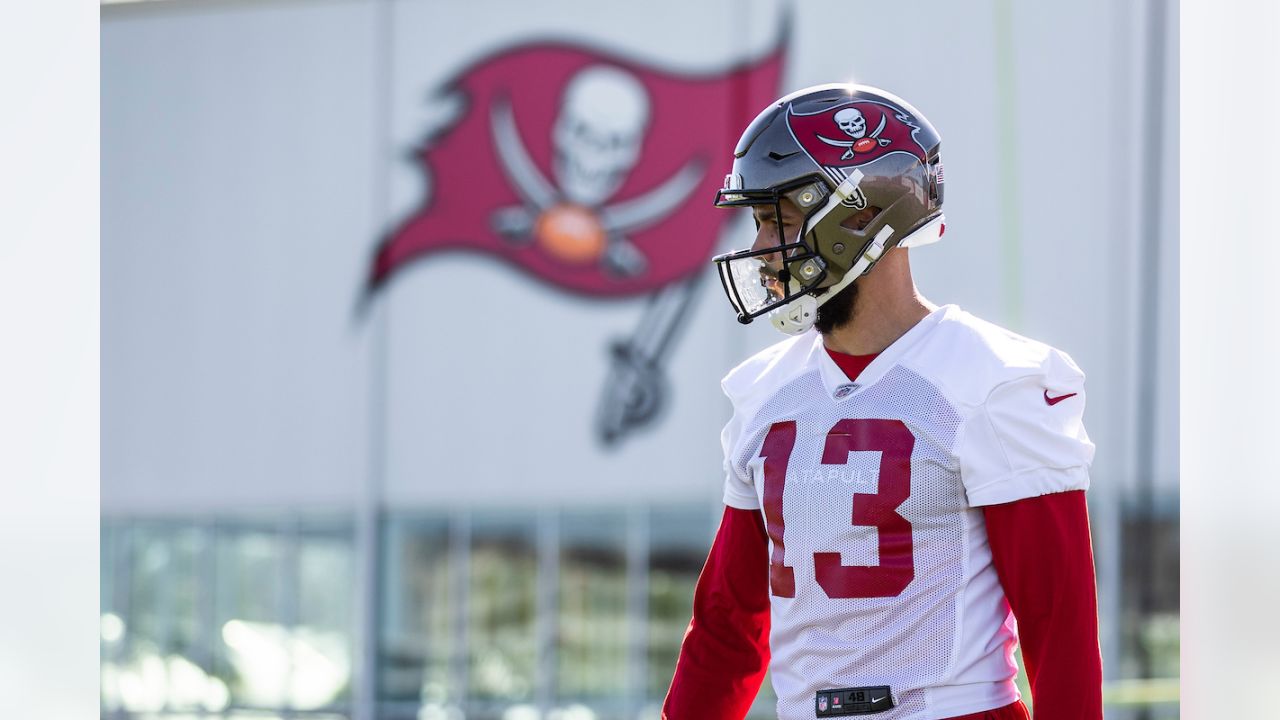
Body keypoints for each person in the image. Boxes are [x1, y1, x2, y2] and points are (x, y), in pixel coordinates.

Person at [662, 84, 1102, 720]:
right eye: (757, 222)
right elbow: (729, 627)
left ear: (860, 216)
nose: (761, 248)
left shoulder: (993, 381)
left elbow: (1057, 628)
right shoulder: (764, 393)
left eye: (777, 219)